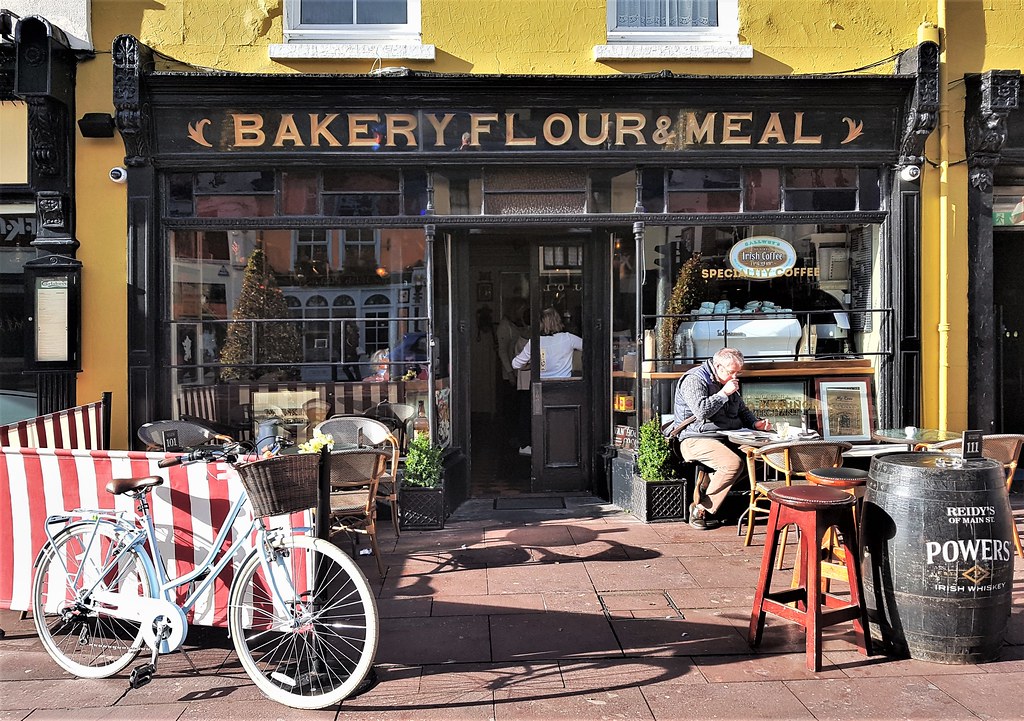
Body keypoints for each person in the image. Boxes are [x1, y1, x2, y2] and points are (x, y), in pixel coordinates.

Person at [670, 347, 771, 531]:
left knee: (762, 456)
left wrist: (755, 423)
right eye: (732, 372)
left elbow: (742, 410)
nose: (735, 376)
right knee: (732, 464)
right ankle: (701, 509)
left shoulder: (727, 381)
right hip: (695, 437)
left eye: (738, 372)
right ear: (718, 367)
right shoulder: (694, 379)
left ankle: (709, 480)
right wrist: (723, 393)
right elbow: (701, 411)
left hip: (728, 435)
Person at [512, 308, 583, 455]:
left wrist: (532, 364)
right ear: (558, 321)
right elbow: (590, 347)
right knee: (562, 422)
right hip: (563, 387)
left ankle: (542, 453)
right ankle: (562, 451)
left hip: (541, 388)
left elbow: (516, 364)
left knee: (541, 422)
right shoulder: (568, 338)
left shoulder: (535, 342)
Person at [496, 297, 529, 451]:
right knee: (512, 406)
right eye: (522, 309)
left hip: (520, 372)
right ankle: (511, 438)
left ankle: (519, 437)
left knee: (520, 405)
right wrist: (509, 373)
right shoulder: (505, 326)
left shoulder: (518, 324)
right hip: (511, 372)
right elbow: (502, 351)